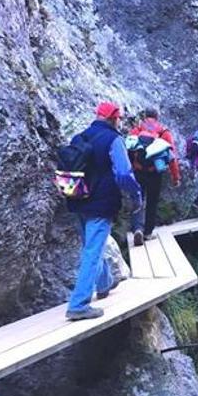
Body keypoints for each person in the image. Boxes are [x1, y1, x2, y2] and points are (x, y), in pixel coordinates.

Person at [65, 102, 142, 321]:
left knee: (91, 247)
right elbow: (124, 174)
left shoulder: (79, 137)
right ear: (114, 118)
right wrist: (136, 196)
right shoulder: (114, 139)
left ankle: (104, 282)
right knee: (92, 251)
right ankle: (79, 304)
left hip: (78, 199)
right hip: (101, 202)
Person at [128, 108, 181, 246]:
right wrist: (176, 177)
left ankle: (137, 228)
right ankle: (147, 232)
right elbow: (171, 157)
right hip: (155, 172)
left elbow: (128, 148)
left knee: (138, 199)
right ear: (157, 117)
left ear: (145, 117)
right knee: (152, 202)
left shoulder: (137, 130)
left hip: (138, 172)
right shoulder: (163, 132)